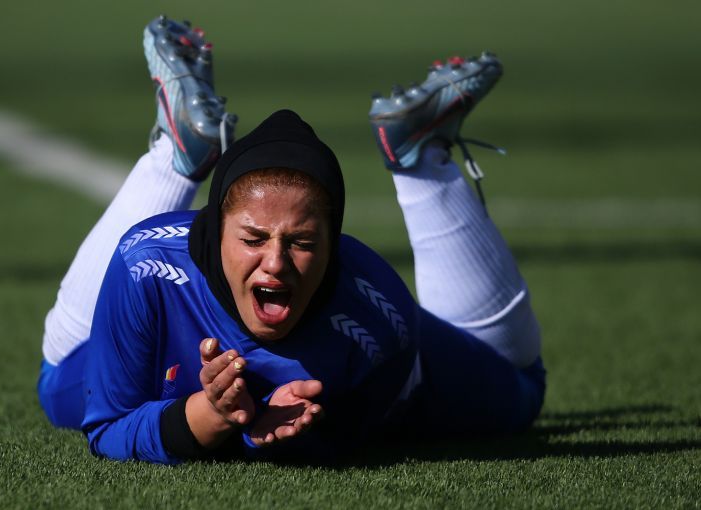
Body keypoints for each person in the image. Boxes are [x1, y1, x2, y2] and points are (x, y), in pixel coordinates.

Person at [38, 16, 545, 464]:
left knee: (520, 389)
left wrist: (257, 426)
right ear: (214, 230)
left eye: (301, 242)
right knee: (58, 379)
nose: (275, 262)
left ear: (333, 244)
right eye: (252, 238)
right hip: (152, 355)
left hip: (414, 380)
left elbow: (355, 441)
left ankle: (420, 160)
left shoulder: (376, 315)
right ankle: (418, 157)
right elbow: (108, 427)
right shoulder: (147, 263)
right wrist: (208, 415)